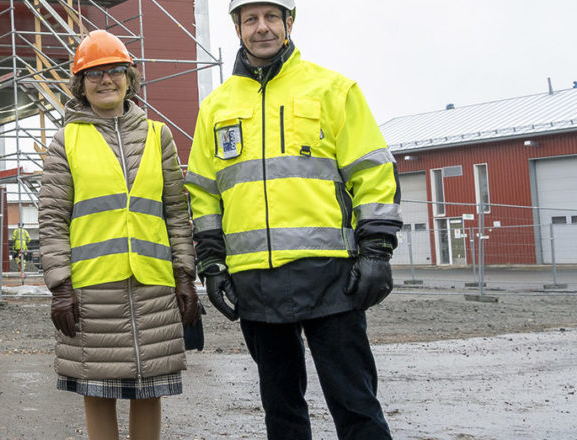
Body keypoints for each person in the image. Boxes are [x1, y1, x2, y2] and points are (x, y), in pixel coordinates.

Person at [183, 1, 400, 438]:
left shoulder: (334, 90)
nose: (261, 28)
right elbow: (204, 194)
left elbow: (372, 172)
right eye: (250, 20)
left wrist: (376, 250)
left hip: (331, 276)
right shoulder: (216, 108)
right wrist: (213, 264)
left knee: (355, 403)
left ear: (289, 23)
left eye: (270, 18)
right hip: (255, 282)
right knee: (280, 410)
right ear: (237, 28)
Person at [37, 29, 201, 440]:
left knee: (150, 389)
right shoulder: (66, 141)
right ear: (80, 84)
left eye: (114, 70)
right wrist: (60, 286)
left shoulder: (158, 136)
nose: (105, 80)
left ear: (129, 78)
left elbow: (176, 213)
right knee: (98, 390)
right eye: (94, 73)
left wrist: (185, 274)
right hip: (92, 290)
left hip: (153, 284)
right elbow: (53, 219)